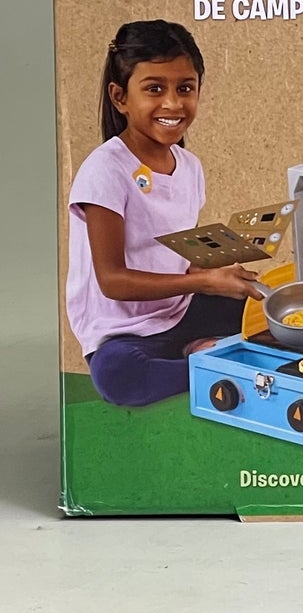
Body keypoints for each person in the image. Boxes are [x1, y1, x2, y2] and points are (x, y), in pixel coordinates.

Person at [67, 21, 263, 407]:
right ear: (120, 97)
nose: (173, 104)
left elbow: (181, 259)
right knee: (120, 376)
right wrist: (205, 282)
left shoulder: (189, 167)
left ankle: (202, 350)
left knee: (269, 312)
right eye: (155, 89)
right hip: (122, 331)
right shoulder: (105, 169)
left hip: (180, 309)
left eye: (185, 88)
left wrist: (220, 272)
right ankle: (210, 363)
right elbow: (112, 281)